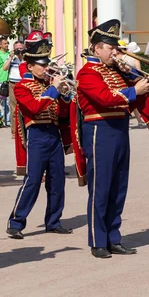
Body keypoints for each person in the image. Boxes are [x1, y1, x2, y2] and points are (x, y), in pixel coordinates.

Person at [72, 19, 149, 258]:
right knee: (101, 189)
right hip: (100, 130)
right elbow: (105, 98)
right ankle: (98, 241)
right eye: (111, 48)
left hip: (120, 128)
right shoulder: (87, 73)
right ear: (97, 48)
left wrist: (139, 82)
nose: (115, 52)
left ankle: (113, 237)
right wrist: (133, 90)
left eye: (116, 48)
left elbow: (131, 100)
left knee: (119, 187)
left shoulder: (116, 72)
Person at [6, 38, 73, 239]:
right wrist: (53, 89)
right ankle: (16, 222)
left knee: (57, 180)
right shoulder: (22, 87)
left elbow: (60, 114)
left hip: (53, 134)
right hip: (36, 135)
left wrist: (64, 95)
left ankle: (53, 221)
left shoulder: (49, 85)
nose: (46, 69)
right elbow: (34, 108)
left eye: (47, 64)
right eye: (42, 66)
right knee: (33, 180)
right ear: (31, 66)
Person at [118, 41, 146, 128]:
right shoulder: (135, 59)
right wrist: (145, 77)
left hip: (126, 82)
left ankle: (140, 120)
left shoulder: (123, 58)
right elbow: (139, 71)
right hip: (134, 81)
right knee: (135, 103)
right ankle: (142, 120)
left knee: (132, 102)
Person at [2, 41, 25, 137]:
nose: (19, 50)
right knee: (13, 108)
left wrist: (22, 57)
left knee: (24, 107)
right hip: (13, 84)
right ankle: (14, 132)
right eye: (17, 48)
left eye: (20, 48)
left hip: (23, 83)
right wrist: (11, 57)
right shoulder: (11, 57)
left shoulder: (26, 57)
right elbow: (4, 68)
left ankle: (24, 130)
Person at [0, 36, 10, 126]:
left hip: (9, 80)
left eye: (7, 43)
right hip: (1, 80)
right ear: (0, 45)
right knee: (2, 103)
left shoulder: (10, 54)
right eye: (5, 43)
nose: (7, 45)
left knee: (9, 102)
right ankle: (2, 121)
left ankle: (8, 121)